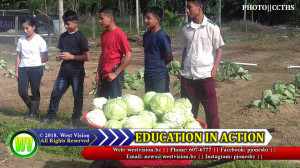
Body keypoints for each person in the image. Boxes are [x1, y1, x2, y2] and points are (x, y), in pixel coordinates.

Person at [179, 0, 225, 129]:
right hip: (188, 77)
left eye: (189, 7)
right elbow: (185, 49)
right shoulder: (186, 28)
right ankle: (191, 141)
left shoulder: (212, 27)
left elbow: (219, 49)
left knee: (212, 112)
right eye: (186, 7)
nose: (187, 10)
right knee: (188, 113)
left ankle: (214, 142)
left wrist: (214, 70)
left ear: (200, 7)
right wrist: (182, 68)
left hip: (205, 76)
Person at [40, 10, 90, 128]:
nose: (66, 26)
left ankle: (75, 120)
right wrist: (59, 57)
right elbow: (62, 53)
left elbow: (87, 57)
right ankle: (50, 117)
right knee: (55, 94)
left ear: (76, 23)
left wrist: (71, 57)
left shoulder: (81, 37)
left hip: (77, 73)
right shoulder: (63, 37)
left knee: (77, 97)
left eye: (68, 24)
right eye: (65, 24)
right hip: (64, 72)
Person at [15, 17, 48, 120]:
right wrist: (16, 71)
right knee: (22, 92)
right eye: (23, 28)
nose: (25, 31)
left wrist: (36, 62)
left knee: (35, 91)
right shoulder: (21, 40)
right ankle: (33, 109)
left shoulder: (40, 40)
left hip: (36, 69)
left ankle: (33, 114)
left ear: (33, 27)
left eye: (27, 28)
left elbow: (45, 57)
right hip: (23, 68)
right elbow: (18, 56)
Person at [95, 8, 132, 99]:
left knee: (116, 103)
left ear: (110, 19)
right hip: (104, 72)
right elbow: (103, 53)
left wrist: (115, 74)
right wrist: (98, 71)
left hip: (114, 72)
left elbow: (129, 55)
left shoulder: (120, 34)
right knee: (101, 101)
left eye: (102, 18)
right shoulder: (104, 34)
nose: (99, 21)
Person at [143, 7, 173, 93]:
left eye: (149, 18)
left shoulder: (162, 36)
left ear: (157, 20)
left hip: (159, 77)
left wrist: (159, 65)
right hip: (148, 75)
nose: (146, 20)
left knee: (160, 102)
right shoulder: (146, 35)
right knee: (149, 102)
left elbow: (169, 57)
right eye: (146, 18)